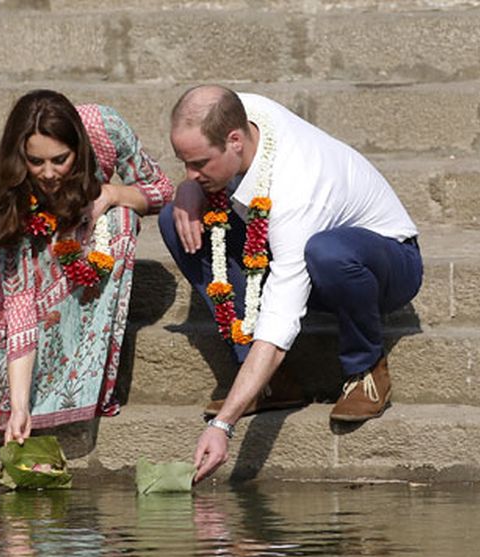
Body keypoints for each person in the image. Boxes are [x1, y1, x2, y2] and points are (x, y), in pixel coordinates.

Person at [158, 85, 422, 482]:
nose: (191, 174)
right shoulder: (238, 110)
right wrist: (189, 189)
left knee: (327, 253)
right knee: (175, 219)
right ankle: (270, 384)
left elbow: (280, 323)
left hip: (385, 261)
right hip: (291, 249)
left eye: (199, 164)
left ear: (235, 141)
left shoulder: (297, 191)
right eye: (185, 163)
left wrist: (223, 426)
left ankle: (366, 368)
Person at [0, 89, 173, 445]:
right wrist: (20, 405)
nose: (49, 174)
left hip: (89, 228)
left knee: (120, 222)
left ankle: (82, 380)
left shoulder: (105, 127)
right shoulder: (15, 198)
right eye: (35, 162)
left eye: (60, 159)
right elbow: (21, 303)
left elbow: (163, 190)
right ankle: (45, 388)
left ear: (80, 147)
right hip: (36, 243)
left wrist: (114, 195)